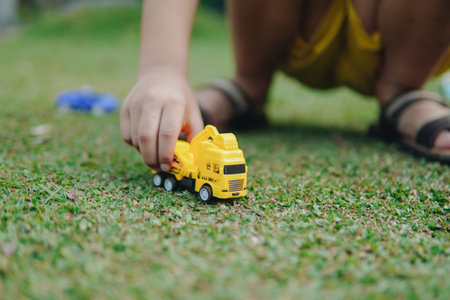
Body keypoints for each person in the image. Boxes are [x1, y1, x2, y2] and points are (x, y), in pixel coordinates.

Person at [120, 0, 450, 170]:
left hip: (407, 33)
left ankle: (402, 92)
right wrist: (161, 69)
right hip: (290, 27)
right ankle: (248, 85)